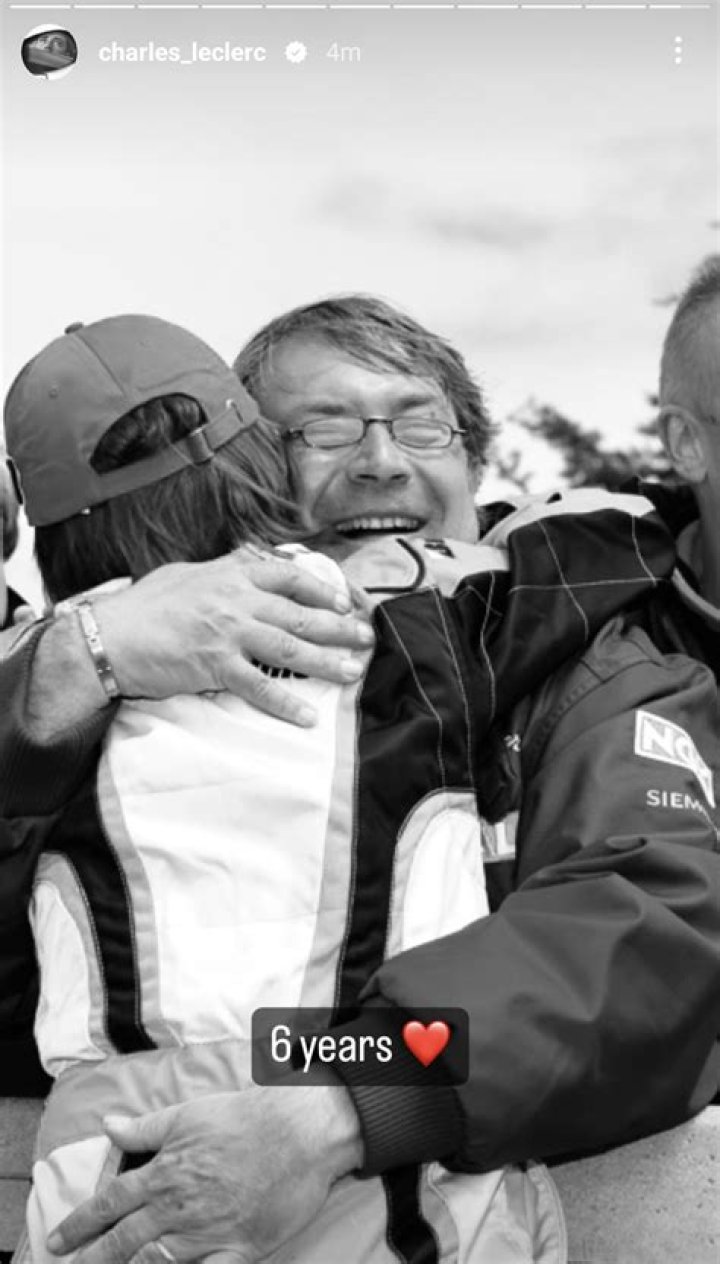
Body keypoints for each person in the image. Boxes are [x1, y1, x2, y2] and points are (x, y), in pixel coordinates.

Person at [2, 296, 719, 1264]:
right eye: (322, 428)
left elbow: (650, 932)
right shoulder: (101, 672)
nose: (380, 459)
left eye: (422, 422)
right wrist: (75, 666)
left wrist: (344, 1094)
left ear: (475, 462)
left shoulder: (587, 659)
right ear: (248, 471)